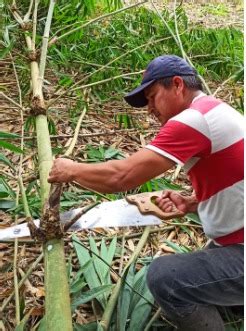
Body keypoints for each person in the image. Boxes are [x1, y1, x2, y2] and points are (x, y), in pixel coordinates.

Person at [48, 55, 244, 330]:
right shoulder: (216, 110)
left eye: (152, 97)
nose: (149, 109)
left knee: (166, 279)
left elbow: (121, 176)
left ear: (177, 85)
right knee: (205, 273)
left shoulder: (194, 120)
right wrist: (192, 203)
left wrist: (71, 170)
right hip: (235, 240)